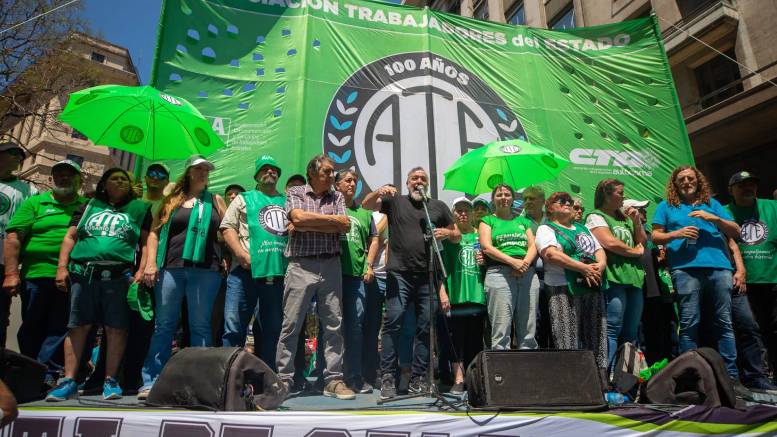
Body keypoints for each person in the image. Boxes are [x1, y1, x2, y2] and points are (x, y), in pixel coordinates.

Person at [47, 167, 152, 401]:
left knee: (116, 328)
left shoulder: (140, 209)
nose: (120, 182)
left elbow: (146, 242)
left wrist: (142, 270)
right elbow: (70, 237)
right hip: (84, 274)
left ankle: (110, 381)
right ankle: (68, 380)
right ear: (104, 184)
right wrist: (62, 267)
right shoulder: (88, 206)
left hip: (118, 275)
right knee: (77, 326)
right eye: (115, 178)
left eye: (125, 179)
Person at [362, 167, 460, 400]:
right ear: (407, 184)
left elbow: (457, 235)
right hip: (399, 274)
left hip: (428, 275)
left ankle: (419, 379)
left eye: (423, 179)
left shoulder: (436, 206)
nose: (419, 182)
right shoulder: (395, 202)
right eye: (414, 178)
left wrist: (446, 232)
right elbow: (366, 205)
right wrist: (378, 191)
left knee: (426, 328)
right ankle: (388, 376)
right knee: (393, 322)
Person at [140, 155, 227, 398]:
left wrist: (228, 253)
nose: (203, 173)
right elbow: (154, 234)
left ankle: (200, 383)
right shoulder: (171, 200)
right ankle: (152, 381)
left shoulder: (215, 200)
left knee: (200, 327)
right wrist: (150, 263)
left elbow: (228, 230)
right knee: (164, 325)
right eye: (198, 169)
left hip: (206, 271)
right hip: (170, 269)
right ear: (188, 172)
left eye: (206, 170)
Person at [275, 154, 354, 400]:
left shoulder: (338, 196)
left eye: (332, 172)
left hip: (330, 264)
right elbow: (296, 219)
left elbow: (344, 225)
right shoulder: (296, 192)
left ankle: (333, 380)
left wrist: (310, 223)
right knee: (291, 325)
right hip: (301, 266)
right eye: (328, 172)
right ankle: (284, 380)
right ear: (313, 173)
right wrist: (329, 221)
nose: (333, 176)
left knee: (334, 325)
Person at [652, 166, 741, 379]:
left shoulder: (712, 204)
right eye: (681, 179)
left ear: (698, 181)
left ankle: (731, 377)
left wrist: (715, 219)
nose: (686, 182)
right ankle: (690, 376)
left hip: (719, 267)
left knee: (724, 322)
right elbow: (655, 236)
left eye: (690, 178)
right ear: (675, 184)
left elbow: (736, 230)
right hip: (685, 270)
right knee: (689, 322)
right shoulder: (666, 206)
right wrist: (677, 233)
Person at [3, 160, 86, 381]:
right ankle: (28, 368)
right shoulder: (35, 203)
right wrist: (11, 274)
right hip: (35, 274)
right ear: (51, 179)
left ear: (80, 180)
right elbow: (13, 238)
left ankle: (46, 372)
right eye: (59, 174)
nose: (64, 178)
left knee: (59, 327)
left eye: (70, 175)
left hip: (71, 277)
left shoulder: (87, 206)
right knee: (32, 324)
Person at [220, 156, 286, 369]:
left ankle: (265, 377)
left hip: (275, 276)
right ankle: (229, 375)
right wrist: (240, 254)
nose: (270, 172)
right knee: (233, 326)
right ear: (257, 175)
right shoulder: (243, 198)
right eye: (265, 169)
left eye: (274, 169)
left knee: (271, 329)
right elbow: (227, 227)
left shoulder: (287, 201)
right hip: (244, 273)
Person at [535, 191, 608, 373]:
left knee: (597, 332)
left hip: (591, 285)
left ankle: (600, 378)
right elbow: (551, 254)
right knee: (566, 335)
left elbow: (599, 250)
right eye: (561, 201)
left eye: (569, 201)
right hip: (563, 288)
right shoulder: (546, 229)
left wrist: (598, 267)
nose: (567, 203)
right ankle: (570, 377)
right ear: (550, 208)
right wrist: (583, 268)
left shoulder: (583, 228)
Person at [585, 179, 646, 367]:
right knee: (612, 328)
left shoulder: (624, 218)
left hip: (634, 278)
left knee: (631, 330)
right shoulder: (595, 216)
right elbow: (609, 242)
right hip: (614, 278)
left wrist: (636, 222)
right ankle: (607, 375)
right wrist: (634, 252)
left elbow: (642, 241)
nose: (624, 196)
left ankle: (628, 377)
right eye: (620, 193)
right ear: (606, 194)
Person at [725, 171, 777, 388]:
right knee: (749, 329)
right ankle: (757, 377)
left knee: (775, 327)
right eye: (742, 185)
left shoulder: (772, 207)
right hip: (742, 283)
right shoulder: (725, 212)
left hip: (772, 278)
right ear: (731, 190)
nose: (748, 189)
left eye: (751, 185)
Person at [478, 184, 538, 350]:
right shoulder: (487, 220)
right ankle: (501, 374)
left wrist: (524, 264)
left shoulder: (523, 221)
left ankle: (528, 371)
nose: (503, 197)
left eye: (506, 194)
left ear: (512, 199)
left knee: (528, 332)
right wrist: (513, 262)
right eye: (499, 195)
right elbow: (487, 247)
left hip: (527, 274)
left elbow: (533, 246)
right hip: (499, 274)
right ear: (493, 199)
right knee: (501, 331)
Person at [335, 170, 378, 393]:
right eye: (347, 180)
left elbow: (374, 239)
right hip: (332, 275)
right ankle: (329, 376)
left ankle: (354, 376)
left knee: (355, 327)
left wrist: (368, 265)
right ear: (337, 185)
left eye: (354, 181)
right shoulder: (330, 207)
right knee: (331, 326)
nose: (352, 184)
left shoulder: (364, 213)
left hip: (356, 278)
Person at [441, 197, 486, 394]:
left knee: (475, 340)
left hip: (478, 296)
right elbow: (441, 270)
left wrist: (485, 260)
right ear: (453, 214)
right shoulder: (449, 239)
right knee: (456, 340)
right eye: (458, 210)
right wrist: (443, 293)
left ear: (473, 213)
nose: (463, 213)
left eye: (467, 209)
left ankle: (473, 379)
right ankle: (458, 380)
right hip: (456, 297)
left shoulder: (481, 237)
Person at [628, 199, 677, 364]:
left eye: (644, 209)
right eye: (639, 209)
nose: (644, 212)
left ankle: (666, 368)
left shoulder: (652, 236)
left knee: (663, 333)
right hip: (638, 292)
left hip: (659, 292)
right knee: (642, 336)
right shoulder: (627, 235)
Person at [0, 142, 37, 348]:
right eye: (11, 153)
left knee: (1, 314)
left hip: (5, 262)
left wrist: (14, 270)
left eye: (19, 155)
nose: (16, 158)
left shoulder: (29, 191)